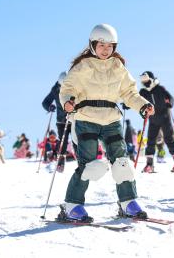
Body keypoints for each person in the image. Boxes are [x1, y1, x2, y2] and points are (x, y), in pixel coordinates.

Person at [58, 23, 154, 222]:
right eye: (101, 45)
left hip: (111, 118)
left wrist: (142, 105)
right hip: (86, 118)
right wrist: (68, 101)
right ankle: (72, 205)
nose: (106, 49)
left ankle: (128, 202)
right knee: (90, 165)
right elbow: (68, 88)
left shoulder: (117, 67)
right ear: (93, 44)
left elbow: (129, 93)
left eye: (110, 46)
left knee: (121, 162)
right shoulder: (83, 66)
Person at [139, 71, 174, 173]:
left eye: (147, 81)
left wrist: (170, 103)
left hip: (164, 117)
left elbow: (171, 98)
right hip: (153, 118)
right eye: (144, 82)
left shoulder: (160, 89)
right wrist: (127, 105)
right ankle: (149, 165)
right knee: (150, 141)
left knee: (169, 139)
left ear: (151, 80)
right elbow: (136, 100)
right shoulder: (143, 92)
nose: (146, 83)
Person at [42, 71, 72, 172]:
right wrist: (49, 107)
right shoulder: (55, 89)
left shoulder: (75, 86)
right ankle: (61, 163)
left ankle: (82, 162)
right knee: (63, 142)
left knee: (78, 140)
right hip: (61, 121)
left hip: (74, 119)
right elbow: (45, 102)